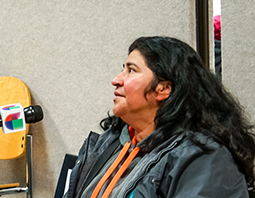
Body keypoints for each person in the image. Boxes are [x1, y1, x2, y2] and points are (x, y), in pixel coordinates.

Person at [64, 36, 255, 198]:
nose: (116, 80)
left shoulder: (204, 159)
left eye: (131, 70)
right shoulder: (109, 142)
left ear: (163, 89)